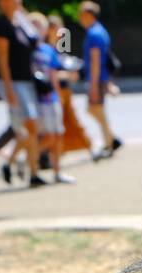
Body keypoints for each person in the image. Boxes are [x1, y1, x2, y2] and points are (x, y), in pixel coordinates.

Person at [0, 0, 44, 186]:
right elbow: (2, 60)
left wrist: (21, 13)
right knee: (28, 127)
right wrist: (9, 90)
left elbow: (36, 39)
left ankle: (23, 168)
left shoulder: (20, 23)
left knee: (30, 129)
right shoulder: (1, 26)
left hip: (28, 81)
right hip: (15, 83)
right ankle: (27, 169)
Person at [29, 12, 74, 184]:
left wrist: (60, 95)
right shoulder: (30, 50)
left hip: (53, 96)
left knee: (58, 135)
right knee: (48, 137)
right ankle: (28, 161)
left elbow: (60, 63)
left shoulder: (59, 42)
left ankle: (57, 171)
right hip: (39, 99)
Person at [78, 2, 121, 159]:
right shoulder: (100, 31)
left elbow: (96, 61)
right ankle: (111, 140)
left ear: (89, 15)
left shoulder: (94, 34)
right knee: (96, 110)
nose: (79, 18)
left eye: (81, 14)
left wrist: (94, 85)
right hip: (101, 78)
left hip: (97, 78)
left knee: (96, 110)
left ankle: (110, 142)